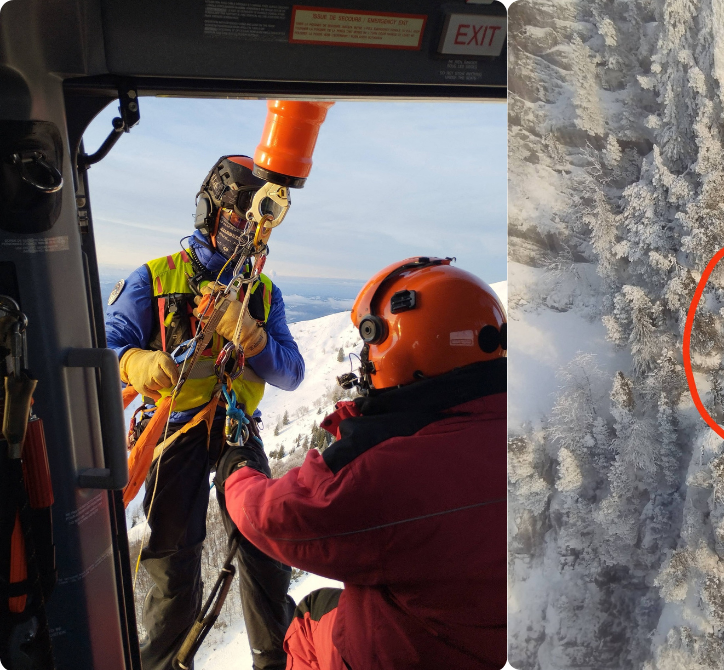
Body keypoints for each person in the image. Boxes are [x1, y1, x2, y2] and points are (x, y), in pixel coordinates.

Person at [215, 257, 507, 670]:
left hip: (405, 654)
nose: (365, 359)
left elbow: (272, 517)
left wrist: (237, 468)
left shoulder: (388, 467)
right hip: (472, 639)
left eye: (370, 342)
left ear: (406, 344)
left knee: (304, 622)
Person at [105, 155, 304, 670]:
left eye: (253, 226)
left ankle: (275, 659)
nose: (245, 237)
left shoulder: (261, 293)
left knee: (262, 539)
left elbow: (291, 372)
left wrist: (252, 337)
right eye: (237, 221)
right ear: (210, 213)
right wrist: (135, 360)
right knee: (173, 563)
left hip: (236, 428)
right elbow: (103, 346)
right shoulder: (155, 278)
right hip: (174, 432)